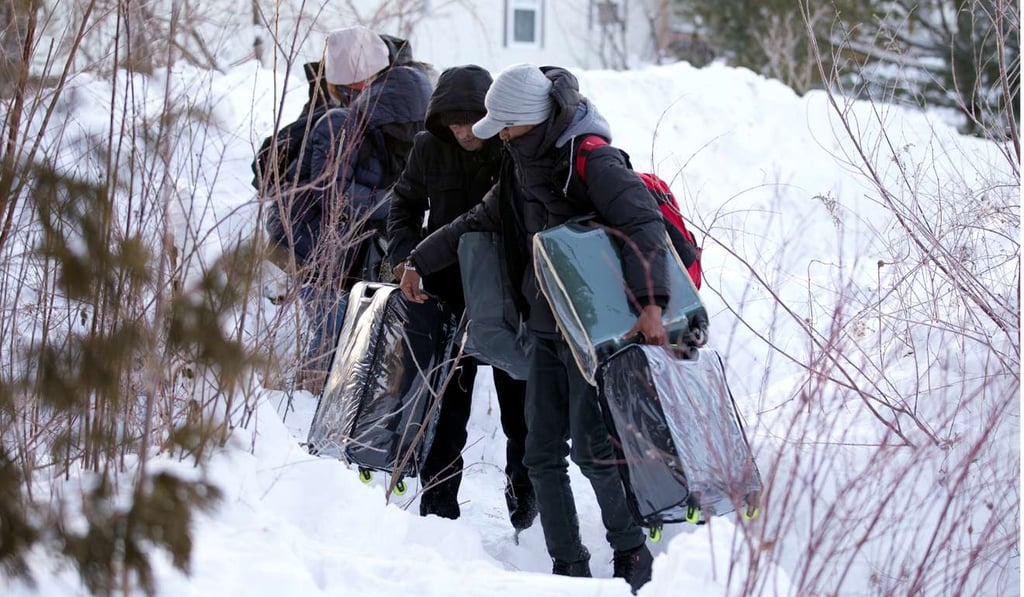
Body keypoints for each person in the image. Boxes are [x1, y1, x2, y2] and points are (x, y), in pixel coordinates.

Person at [398, 64, 661, 593]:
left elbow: (642, 223)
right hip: (545, 324)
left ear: (528, 120)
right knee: (542, 451)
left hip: (596, 329)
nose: (499, 136)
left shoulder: (590, 159)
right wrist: (419, 261)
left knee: (590, 448)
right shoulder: (519, 165)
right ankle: (568, 568)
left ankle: (631, 553)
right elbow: (476, 219)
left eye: (507, 126)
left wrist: (651, 303)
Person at [385, 65, 536, 530]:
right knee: (445, 416)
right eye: (451, 123)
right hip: (446, 296)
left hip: (509, 299)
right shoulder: (429, 148)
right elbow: (404, 203)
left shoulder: (511, 144)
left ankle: (525, 514)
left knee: (522, 417)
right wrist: (405, 255)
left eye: (469, 121)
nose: (461, 131)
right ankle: (438, 518)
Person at [274, 26, 432, 391]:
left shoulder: (377, 119)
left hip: (341, 250)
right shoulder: (340, 122)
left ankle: (324, 406)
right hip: (316, 246)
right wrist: (396, 203)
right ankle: (310, 408)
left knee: (341, 337)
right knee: (333, 336)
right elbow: (333, 195)